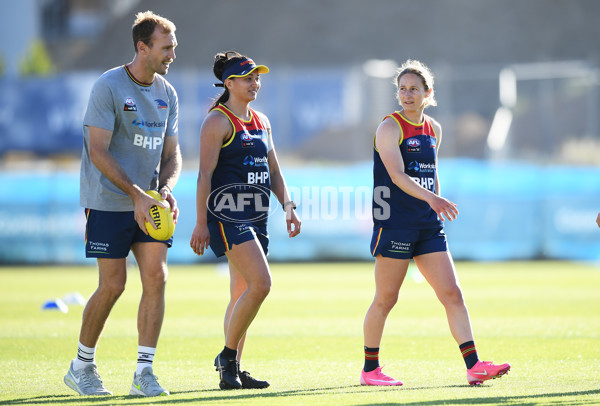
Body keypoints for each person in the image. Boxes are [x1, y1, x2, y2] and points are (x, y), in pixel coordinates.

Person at [361, 59, 510, 387]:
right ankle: (370, 370)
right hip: (396, 224)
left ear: (428, 93)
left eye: (414, 89)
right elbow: (397, 175)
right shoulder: (389, 127)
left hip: (427, 225)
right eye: (402, 89)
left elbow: (431, 172)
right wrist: (433, 199)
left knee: (452, 294)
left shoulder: (434, 129)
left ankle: (474, 366)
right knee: (386, 298)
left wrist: (435, 204)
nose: (407, 94)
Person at [63, 11, 181, 397]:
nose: (172, 55)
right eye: (166, 48)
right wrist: (135, 195)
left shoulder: (168, 92)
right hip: (109, 201)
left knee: (157, 278)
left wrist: (164, 189)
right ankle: (81, 367)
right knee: (113, 284)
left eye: (174, 47)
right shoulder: (108, 86)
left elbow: (173, 154)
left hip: (148, 202)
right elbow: (97, 151)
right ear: (142, 47)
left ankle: (143, 374)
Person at [190, 51, 301, 390]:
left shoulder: (262, 121)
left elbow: (275, 170)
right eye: (248, 77)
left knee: (242, 293)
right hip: (227, 215)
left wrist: (288, 206)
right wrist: (200, 223)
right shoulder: (217, 121)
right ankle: (227, 356)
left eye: (257, 77)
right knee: (261, 284)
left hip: (258, 216)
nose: (255, 82)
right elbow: (203, 175)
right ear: (229, 83)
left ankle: (233, 369)